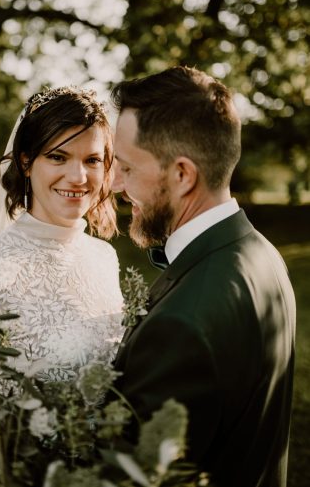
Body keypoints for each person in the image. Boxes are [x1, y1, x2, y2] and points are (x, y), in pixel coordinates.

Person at [111, 66, 295, 487]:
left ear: (182, 175)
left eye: (127, 168)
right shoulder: (263, 256)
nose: (117, 186)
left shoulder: (180, 326)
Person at [0, 87, 124, 407]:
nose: (78, 177)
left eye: (92, 160)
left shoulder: (106, 258)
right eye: (57, 157)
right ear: (26, 162)